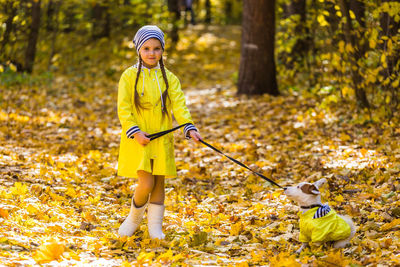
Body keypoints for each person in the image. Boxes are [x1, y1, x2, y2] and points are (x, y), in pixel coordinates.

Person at [117, 25, 202, 239]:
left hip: (161, 138)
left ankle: (155, 227)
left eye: (156, 48)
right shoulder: (128, 76)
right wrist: (135, 132)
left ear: (162, 50)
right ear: (138, 50)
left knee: (159, 183)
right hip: (139, 139)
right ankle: (134, 219)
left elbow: (180, 106)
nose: (152, 53)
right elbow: (124, 109)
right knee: (146, 183)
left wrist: (188, 127)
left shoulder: (170, 78)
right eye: (146, 48)